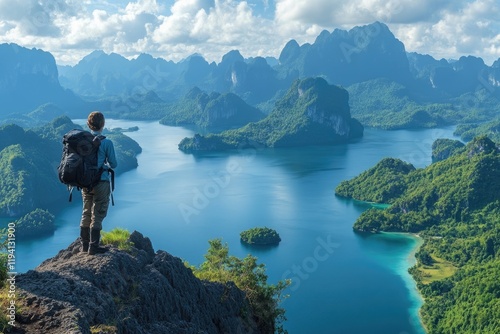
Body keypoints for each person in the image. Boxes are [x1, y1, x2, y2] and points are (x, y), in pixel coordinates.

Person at [80, 111, 118, 255]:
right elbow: (114, 164)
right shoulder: (106, 142)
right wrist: (105, 164)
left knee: (86, 212)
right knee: (98, 213)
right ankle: (93, 247)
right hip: (101, 182)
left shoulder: (82, 141)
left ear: (88, 124)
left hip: (85, 182)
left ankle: (84, 246)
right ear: (103, 124)